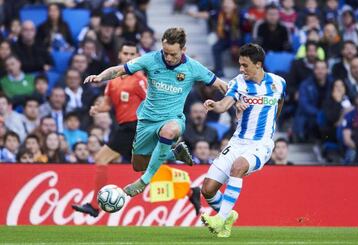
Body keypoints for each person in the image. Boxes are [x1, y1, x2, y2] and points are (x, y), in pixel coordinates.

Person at [84, 27, 228, 198]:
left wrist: (235, 101)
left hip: (173, 119)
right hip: (146, 121)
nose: (168, 57)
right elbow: (119, 69)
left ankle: (143, 181)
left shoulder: (193, 67)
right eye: (165, 52)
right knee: (138, 164)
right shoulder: (151, 59)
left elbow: (221, 85)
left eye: (173, 54)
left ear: (184, 50)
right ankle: (174, 153)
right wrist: (100, 76)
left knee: (169, 131)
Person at [200, 43, 286, 238]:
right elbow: (224, 104)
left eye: (245, 65)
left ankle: (220, 219)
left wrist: (271, 125)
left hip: (261, 144)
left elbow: (280, 101)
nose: (241, 69)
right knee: (207, 189)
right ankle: (228, 217)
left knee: (238, 167)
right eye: (239, 64)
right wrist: (215, 105)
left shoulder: (278, 82)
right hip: (238, 142)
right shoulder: (238, 83)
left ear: (258, 64)